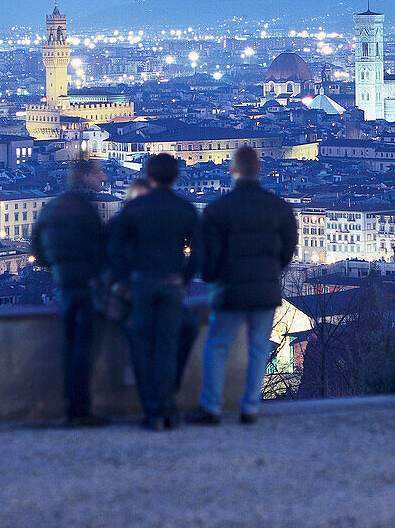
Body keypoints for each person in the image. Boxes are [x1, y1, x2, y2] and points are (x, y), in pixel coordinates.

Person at [186, 146, 298, 426]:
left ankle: (212, 406)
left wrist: (214, 280)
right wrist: (271, 271)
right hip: (265, 289)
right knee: (259, 348)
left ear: (232, 171)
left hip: (230, 290)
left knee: (216, 347)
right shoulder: (279, 207)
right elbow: (288, 250)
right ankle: (250, 407)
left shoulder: (217, 210)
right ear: (260, 169)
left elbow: (207, 256)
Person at [108, 152, 202, 430]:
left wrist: (127, 278)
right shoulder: (184, 208)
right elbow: (198, 252)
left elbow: (115, 249)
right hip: (172, 285)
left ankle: (152, 411)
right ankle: (168, 406)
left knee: (142, 348)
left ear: (149, 176)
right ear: (176, 176)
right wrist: (184, 277)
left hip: (142, 284)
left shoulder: (135, 209)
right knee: (168, 346)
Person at [30, 159, 108, 427]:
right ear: (84, 176)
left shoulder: (52, 206)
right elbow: (100, 251)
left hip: (63, 284)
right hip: (85, 286)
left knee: (69, 346)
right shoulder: (85, 209)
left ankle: (70, 407)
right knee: (84, 350)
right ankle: (80, 409)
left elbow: (38, 250)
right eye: (98, 173)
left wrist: (58, 268)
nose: (103, 178)